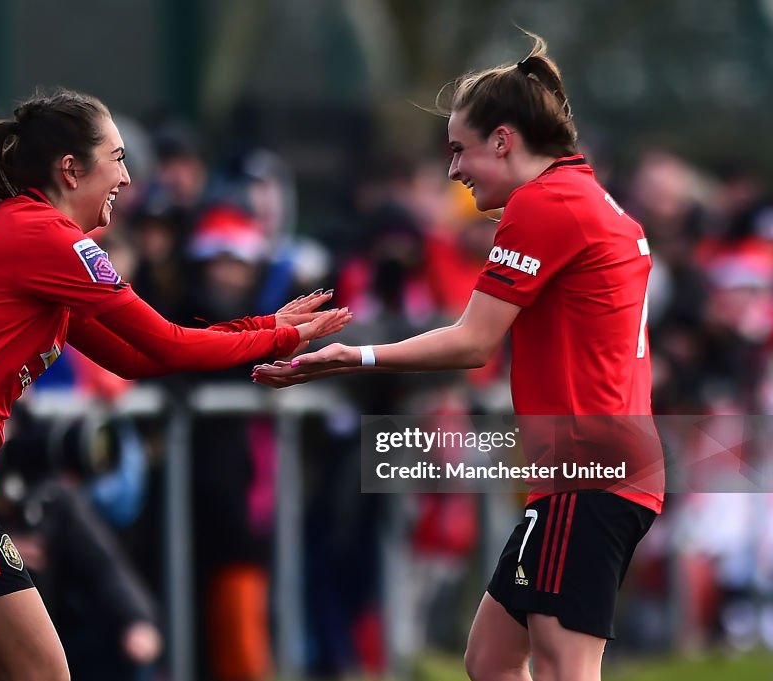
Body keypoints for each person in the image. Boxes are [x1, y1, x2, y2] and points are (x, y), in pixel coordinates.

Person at [0, 89, 350, 681]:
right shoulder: (47, 237)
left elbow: (137, 359)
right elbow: (167, 342)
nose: (129, 177)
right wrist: (279, 337)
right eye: (117, 157)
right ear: (71, 169)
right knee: (46, 674)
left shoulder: (19, 235)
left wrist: (265, 324)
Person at [254, 32, 663, 681]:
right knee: (491, 658)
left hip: (588, 473)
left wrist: (352, 358)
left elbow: (473, 342)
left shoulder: (544, 202)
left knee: (566, 668)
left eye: (458, 149)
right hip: (596, 470)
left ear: (503, 139)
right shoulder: (588, 196)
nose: (452, 171)